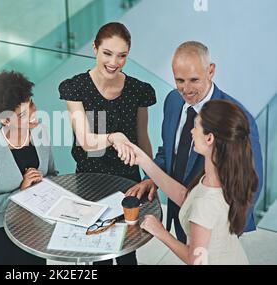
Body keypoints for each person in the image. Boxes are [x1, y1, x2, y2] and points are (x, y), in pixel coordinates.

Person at [127, 41, 263, 243]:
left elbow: (251, 184)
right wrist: (151, 178)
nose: (186, 89)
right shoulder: (173, 100)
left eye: (193, 80)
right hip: (179, 212)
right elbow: (167, 152)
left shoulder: (236, 118)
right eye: (179, 80)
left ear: (211, 71)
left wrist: (224, 232)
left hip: (214, 227)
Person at [58, 22, 156, 265]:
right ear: (95, 48)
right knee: (98, 250)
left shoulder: (139, 90)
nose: (114, 62)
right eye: (107, 53)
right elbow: (86, 142)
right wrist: (114, 137)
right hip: (91, 180)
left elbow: (143, 138)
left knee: (127, 250)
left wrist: (150, 176)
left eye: (122, 55)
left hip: (128, 182)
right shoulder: (76, 88)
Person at [124, 100, 258, 264]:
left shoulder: (206, 203)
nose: (191, 131)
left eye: (196, 126)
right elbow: (186, 196)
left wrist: (159, 231)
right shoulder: (222, 176)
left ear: (209, 138)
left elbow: (195, 260)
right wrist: (143, 160)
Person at [0, 71, 57, 265]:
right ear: (6, 120)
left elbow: (52, 174)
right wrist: (21, 192)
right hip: (2, 238)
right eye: (23, 114)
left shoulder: (40, 133)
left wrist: (43, 183)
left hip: (35, 230)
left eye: (32, 104)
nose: (33, 114)